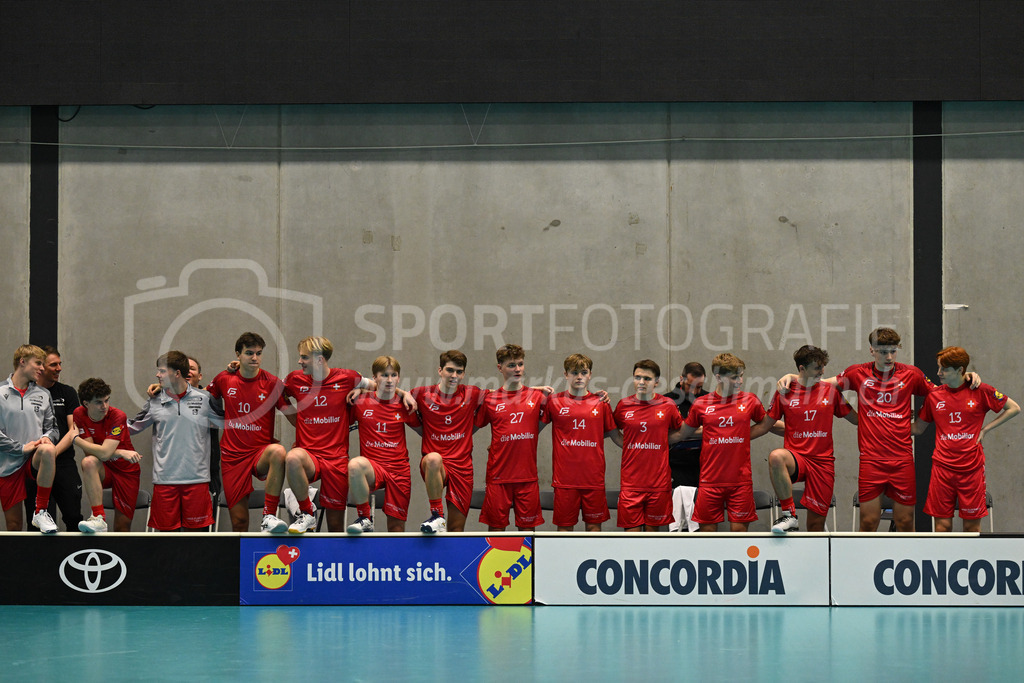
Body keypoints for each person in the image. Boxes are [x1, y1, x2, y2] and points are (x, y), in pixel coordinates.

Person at [777, 327, 978, 532]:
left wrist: (965, 376)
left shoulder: (911, 374)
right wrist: (795, 376)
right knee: (868, 522)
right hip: (871, 461)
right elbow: (822, 383)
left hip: (902, 460)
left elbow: (942, 393)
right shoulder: (857, 373)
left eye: (893, 351)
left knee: (906, 523)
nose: (889, 356)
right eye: (883, 352)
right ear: (872, 350)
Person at [913, 346, 1019, 532]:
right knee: (942, 527)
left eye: (944, 369)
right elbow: (917, 429)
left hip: (972, 468)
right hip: (942, 468)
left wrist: (986, 429)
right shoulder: (934, 396)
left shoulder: (981, 391)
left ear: (960, 370)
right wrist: (887, 421)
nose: (939, 373)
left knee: (971, 528)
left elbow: (1014, 408)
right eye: (938, 368)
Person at [282, 336, 378, 534]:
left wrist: (360, 390)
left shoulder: (347, 377)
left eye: (304, 357)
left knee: (335, 526)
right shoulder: (294, 379)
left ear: (319, 359)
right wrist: (295, 418)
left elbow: (377, 386)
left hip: (336, 459)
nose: (300, 362)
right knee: (292, 458)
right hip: (309, 456)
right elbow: (272, 391)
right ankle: (307, 513)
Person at [205, 332, 293, 533]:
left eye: (259, 353)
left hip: (259, 453)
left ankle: (268, 515)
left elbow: (294, 417)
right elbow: (203, 398)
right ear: (238, 354)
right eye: (249, 353)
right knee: (239, 521)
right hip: (232, 456)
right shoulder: (224, 379)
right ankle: (239, 561)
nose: (255, 358)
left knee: (278, 451)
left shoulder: (272, 383)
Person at [677, 353, 775, 532]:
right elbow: (682, 434)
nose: (740, 381)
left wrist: (798, 429)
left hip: (740, 482)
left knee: (739, 537)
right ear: (718, 377)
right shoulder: (701, 404)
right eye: (735, 377)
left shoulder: (750, 400)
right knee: (707, 538)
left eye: (741, 375)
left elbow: (767, 424)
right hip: (709, 482)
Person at [763, 346, 856, 534]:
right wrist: (737, 436)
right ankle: (789, 514)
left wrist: (893, 418)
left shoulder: (831, 391)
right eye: (817, 368)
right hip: (797, 458)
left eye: (823, 367)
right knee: (776, 457)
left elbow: (858, 420)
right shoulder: (785, 391)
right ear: (802, 368)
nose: (822, 372)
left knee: (815, 527)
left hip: (823, 464)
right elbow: (766, 424)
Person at [128, 351, 223, 531]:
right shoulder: (155, 401)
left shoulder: (204, 399)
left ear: (177, 373)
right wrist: (105, 425)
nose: (157, 375)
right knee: (166, 543)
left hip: (197, 481)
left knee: (198, 541)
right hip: (165, 482)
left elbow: (231, 423)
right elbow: (131, 427)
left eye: (162, 371)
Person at [475, 344, 548, 531]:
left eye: (520, 364)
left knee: (528, 534)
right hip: (498, 476)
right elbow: (469, 428)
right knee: (496, 532)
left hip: (527, 477)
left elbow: (571, 402)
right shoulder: (490, 400)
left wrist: (598, 396)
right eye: (511, 365)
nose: (517, 369)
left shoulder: (538, 396)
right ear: (500, 368)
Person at [541, 353, 617, 531]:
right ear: (566, 374)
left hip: (593, 480)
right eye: (574, 372)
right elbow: (531, 431)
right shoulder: (554, 401)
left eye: (584, 372)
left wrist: (653, 443)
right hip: (565, 481)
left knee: (593, 529)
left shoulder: (601, 403)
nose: (579, 377)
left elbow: (616, 437)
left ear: (590, 374)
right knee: (564, 530)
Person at [410, 350, 484, 533]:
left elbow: (504, 395)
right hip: (435, 465)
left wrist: (535, 391)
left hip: (462, 466)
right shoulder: (421, 394)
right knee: (434, 458)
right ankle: (437, 515)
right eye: (450, 370)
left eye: (459, 371)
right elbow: (388, 394)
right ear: (440, 370)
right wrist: (401, 393)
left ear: (464, 374)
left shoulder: (472, 393)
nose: (454, 375)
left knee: (456, 529)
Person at [347, 356, 421, 534]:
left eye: (393, 375)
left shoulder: (405, 404)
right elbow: (339, 427)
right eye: (384, 375)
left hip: (399, 471)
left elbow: (424, 432)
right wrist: (359, 389)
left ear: (398, 377)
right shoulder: (360, 402)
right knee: (355, 465)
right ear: (375, 377)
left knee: (396, 528)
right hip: (374, 467)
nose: (389, 380)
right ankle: (365, 518)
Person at [611, 359, 685, 532]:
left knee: (653, 539)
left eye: (647, 378)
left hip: (658, 484)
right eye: (637, 377)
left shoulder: (668, 405)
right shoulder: (623, 406)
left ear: (656, 382)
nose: (641, 382)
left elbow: (681, 432)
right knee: (631, 539)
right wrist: (629, 445)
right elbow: (612, 431)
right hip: (631, 484)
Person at [0, 345, 58, 533]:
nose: (42, 368)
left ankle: (40, 511)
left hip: (34, 460)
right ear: (22, 362)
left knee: (48, 450)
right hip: (8, 464)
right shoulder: (0, 393)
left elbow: (53, 428)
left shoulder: (43, 394)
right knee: (14, 525)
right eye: (38, 363)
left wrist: (46, 439)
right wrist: (21, 448)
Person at [73, 378, 143, 532]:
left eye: (106, 400)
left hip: (126, 471)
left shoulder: (118, 416)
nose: (104, 406)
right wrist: (120, 452)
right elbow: (92, 451)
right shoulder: (79, 414)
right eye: (99, 402)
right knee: (88, 462)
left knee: (122, 526)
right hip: (105, 469)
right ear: (86, 404)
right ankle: (99, 518)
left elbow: (104, 453)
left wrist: (75, 440)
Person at [27, 346, 82, 530]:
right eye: (53, 365)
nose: (59, 368)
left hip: (63, 462)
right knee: (35, 523)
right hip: (35, 464)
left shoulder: (67, 393)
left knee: (74, 517)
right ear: (41, 367)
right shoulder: (27, 394)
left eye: (60, 364)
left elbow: (73, 429)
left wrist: (51, 454)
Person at [663, 361, 708, 532]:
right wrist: (703, 430)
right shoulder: (666, 401)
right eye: (691, 386)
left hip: (703, 467)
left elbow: (718, 429)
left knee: (701, 522)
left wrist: (681, 431)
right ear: (681, 379)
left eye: (700, 387)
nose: (695, 391)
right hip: (674, 467)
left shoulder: (709, 400)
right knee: (677, 526)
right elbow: (663, 436)